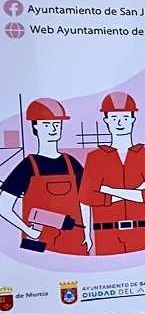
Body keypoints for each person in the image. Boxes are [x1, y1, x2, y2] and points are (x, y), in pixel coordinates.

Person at [0, 98, 88, 254]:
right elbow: (3, 205)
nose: (53, 129)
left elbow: (86, 201)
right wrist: (28, 230)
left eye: (56, 124)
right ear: (35, 127)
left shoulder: (71, 163)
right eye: (46, 124)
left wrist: (87, 232)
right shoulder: (28, 166)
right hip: (40, 244)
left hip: (75, 240)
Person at [79, 92, 145, 256]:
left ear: (133, 119)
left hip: (142, 231)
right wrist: (86, 233)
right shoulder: (95, 157)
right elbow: (87, 198)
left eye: (125, 117)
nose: (120, 123)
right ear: (106, 120)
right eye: (114, 118)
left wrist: (107, 190)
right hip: (106, 233)